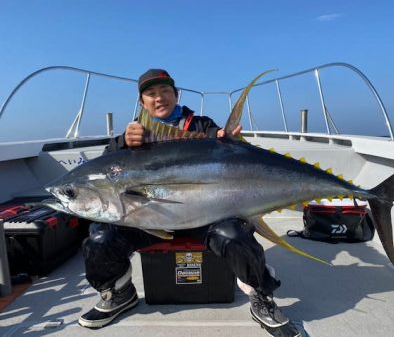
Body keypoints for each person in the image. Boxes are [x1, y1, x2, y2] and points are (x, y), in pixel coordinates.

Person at [78, 68, 290, 329]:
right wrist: (123, 141)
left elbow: (218, 140)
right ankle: (120, 292)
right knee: (100, 239)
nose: (159, 98)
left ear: (176, 94)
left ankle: (261, 294)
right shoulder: (133, 133)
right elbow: (103, 167)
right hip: (146, 221)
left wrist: (224, 137)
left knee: (236, 236)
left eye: (165, 91)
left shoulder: (200, 125)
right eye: (151, 94)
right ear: (142, 102)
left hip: (203, 216)